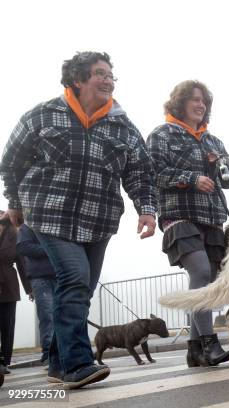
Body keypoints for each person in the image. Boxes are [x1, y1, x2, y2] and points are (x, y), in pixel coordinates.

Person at [0, 51, 157, 389]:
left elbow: (140, 172)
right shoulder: (42, 115)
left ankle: (57, 362)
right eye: (100, 73)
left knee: (81, 290)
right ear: (78, 79)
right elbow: (11, 161)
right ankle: (77, 364)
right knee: (73, 279)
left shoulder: (122, 126)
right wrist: (15, 200)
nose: (109, 80)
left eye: (111, 75)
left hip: (98, 220)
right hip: (50, 215)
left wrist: (146, 209)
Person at [147, 80, 229, 367]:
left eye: (204, 102)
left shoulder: (213, 141)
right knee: (199, 271)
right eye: (195, 100)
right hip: (179, 216)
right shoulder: (162, 135)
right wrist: (192, 179)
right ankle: (211, 344)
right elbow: (154, 174)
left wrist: (224, 168)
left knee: (207, 280)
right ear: (181, 102)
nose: (200, 105)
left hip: (211, 218)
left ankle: (194, 349)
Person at [17, 224, 56, 366]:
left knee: (62, 315)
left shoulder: (54, 226)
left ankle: (62, 352)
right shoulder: (26, 227)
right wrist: (50, 248)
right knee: (47, 316)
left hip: (60, 275)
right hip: (40, 278)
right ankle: (48, 354)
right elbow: (23, 247)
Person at [0, 213, 32, 375]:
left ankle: (4, 362)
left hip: (8, 285)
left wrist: (30, 289)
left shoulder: (14, 233)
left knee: (7, 325)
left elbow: (22, 263)